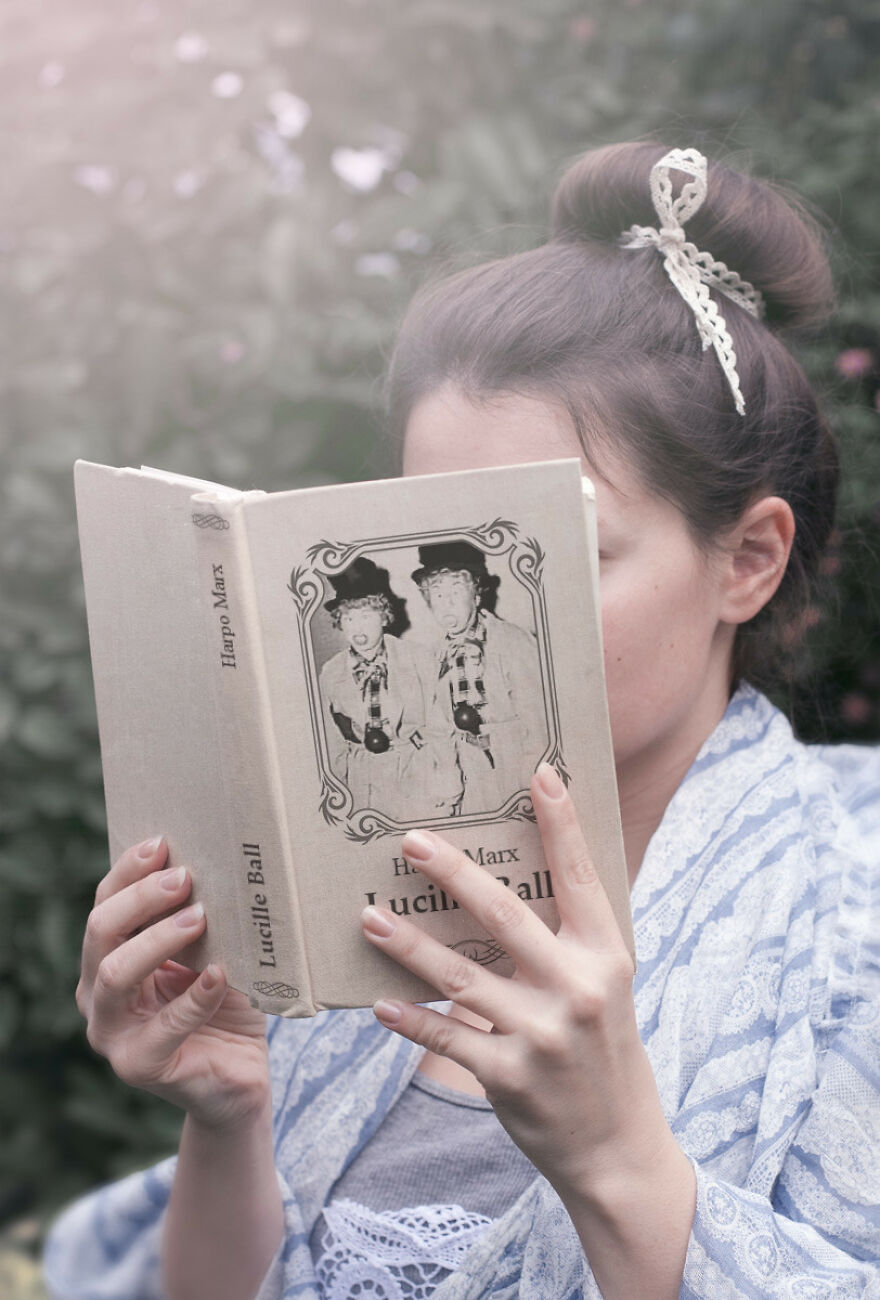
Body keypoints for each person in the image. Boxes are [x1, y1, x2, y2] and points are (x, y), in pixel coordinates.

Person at [45, 144, 880, 1299]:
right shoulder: (355, 874)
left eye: (551, 553)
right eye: (431, 549)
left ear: (746, 560)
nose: (477, 615)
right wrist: (226, 1116)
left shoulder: (855, 896)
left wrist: (615, 1157)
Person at [318, 555, 459, 820]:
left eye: (366, 616)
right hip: (364, 781)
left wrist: (448, 783)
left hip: (416, 771)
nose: (358, 628)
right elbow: (332, 742)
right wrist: (338, 793)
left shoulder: (418, 659)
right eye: (349, 618)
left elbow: (439, 727)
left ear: (384, 617)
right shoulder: (331, 672)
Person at [411, 540, 546, 814]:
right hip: (469, 768)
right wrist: (448, 777)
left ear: (476, 594)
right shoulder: (434, 655)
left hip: (513, 760)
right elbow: (439, 727)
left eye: (455, 591)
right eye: (437, 594)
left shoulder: (513, 641)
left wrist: (531, 778)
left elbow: (537, 719)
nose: (446, 603)